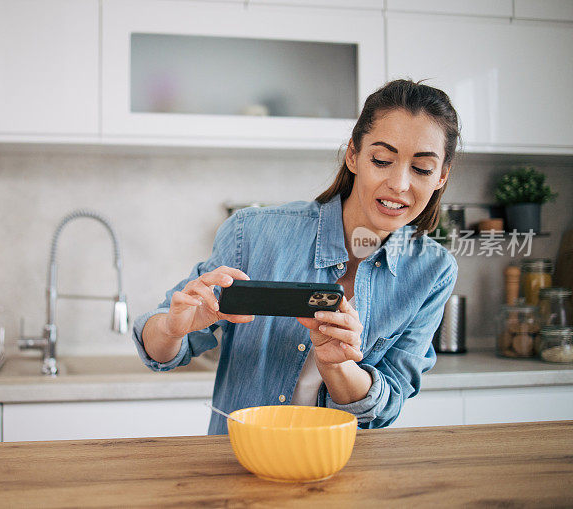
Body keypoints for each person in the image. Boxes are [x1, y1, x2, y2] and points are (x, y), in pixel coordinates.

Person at [132, 79, 460, 434]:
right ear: (353, 154)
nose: (399, 183)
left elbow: (387, 405)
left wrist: (337, 367)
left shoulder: (433, 270)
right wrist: (170, 328)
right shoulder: (253, 233)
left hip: (340, 469)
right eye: (382, 160)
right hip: (241, 463)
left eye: (422, 169)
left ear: (441, 176)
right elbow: (159, 351)